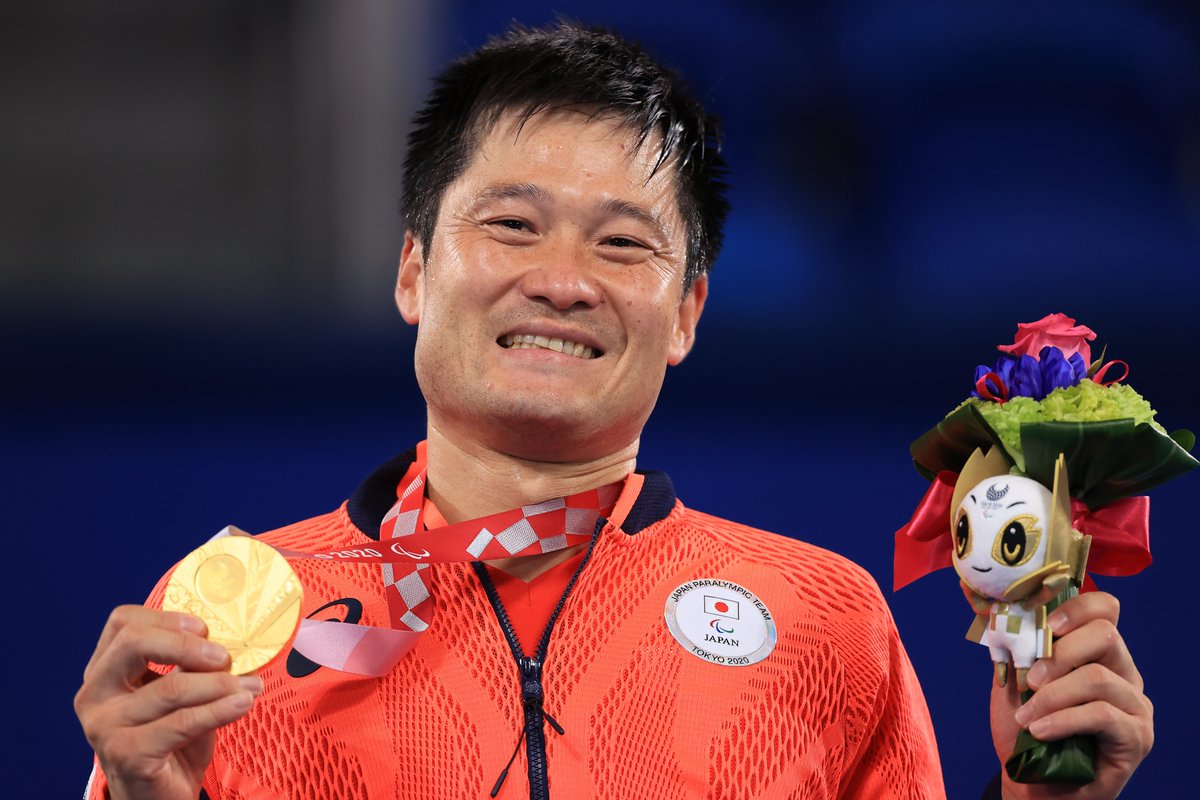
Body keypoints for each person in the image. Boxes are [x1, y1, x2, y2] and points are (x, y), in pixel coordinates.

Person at [74, 21, 1153, 800]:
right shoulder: (223, 627)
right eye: (512, 225)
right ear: (412, 271)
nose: (563, 278)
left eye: (623, 241)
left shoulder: (830, 621)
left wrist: (1047, 799)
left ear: (686, 311)